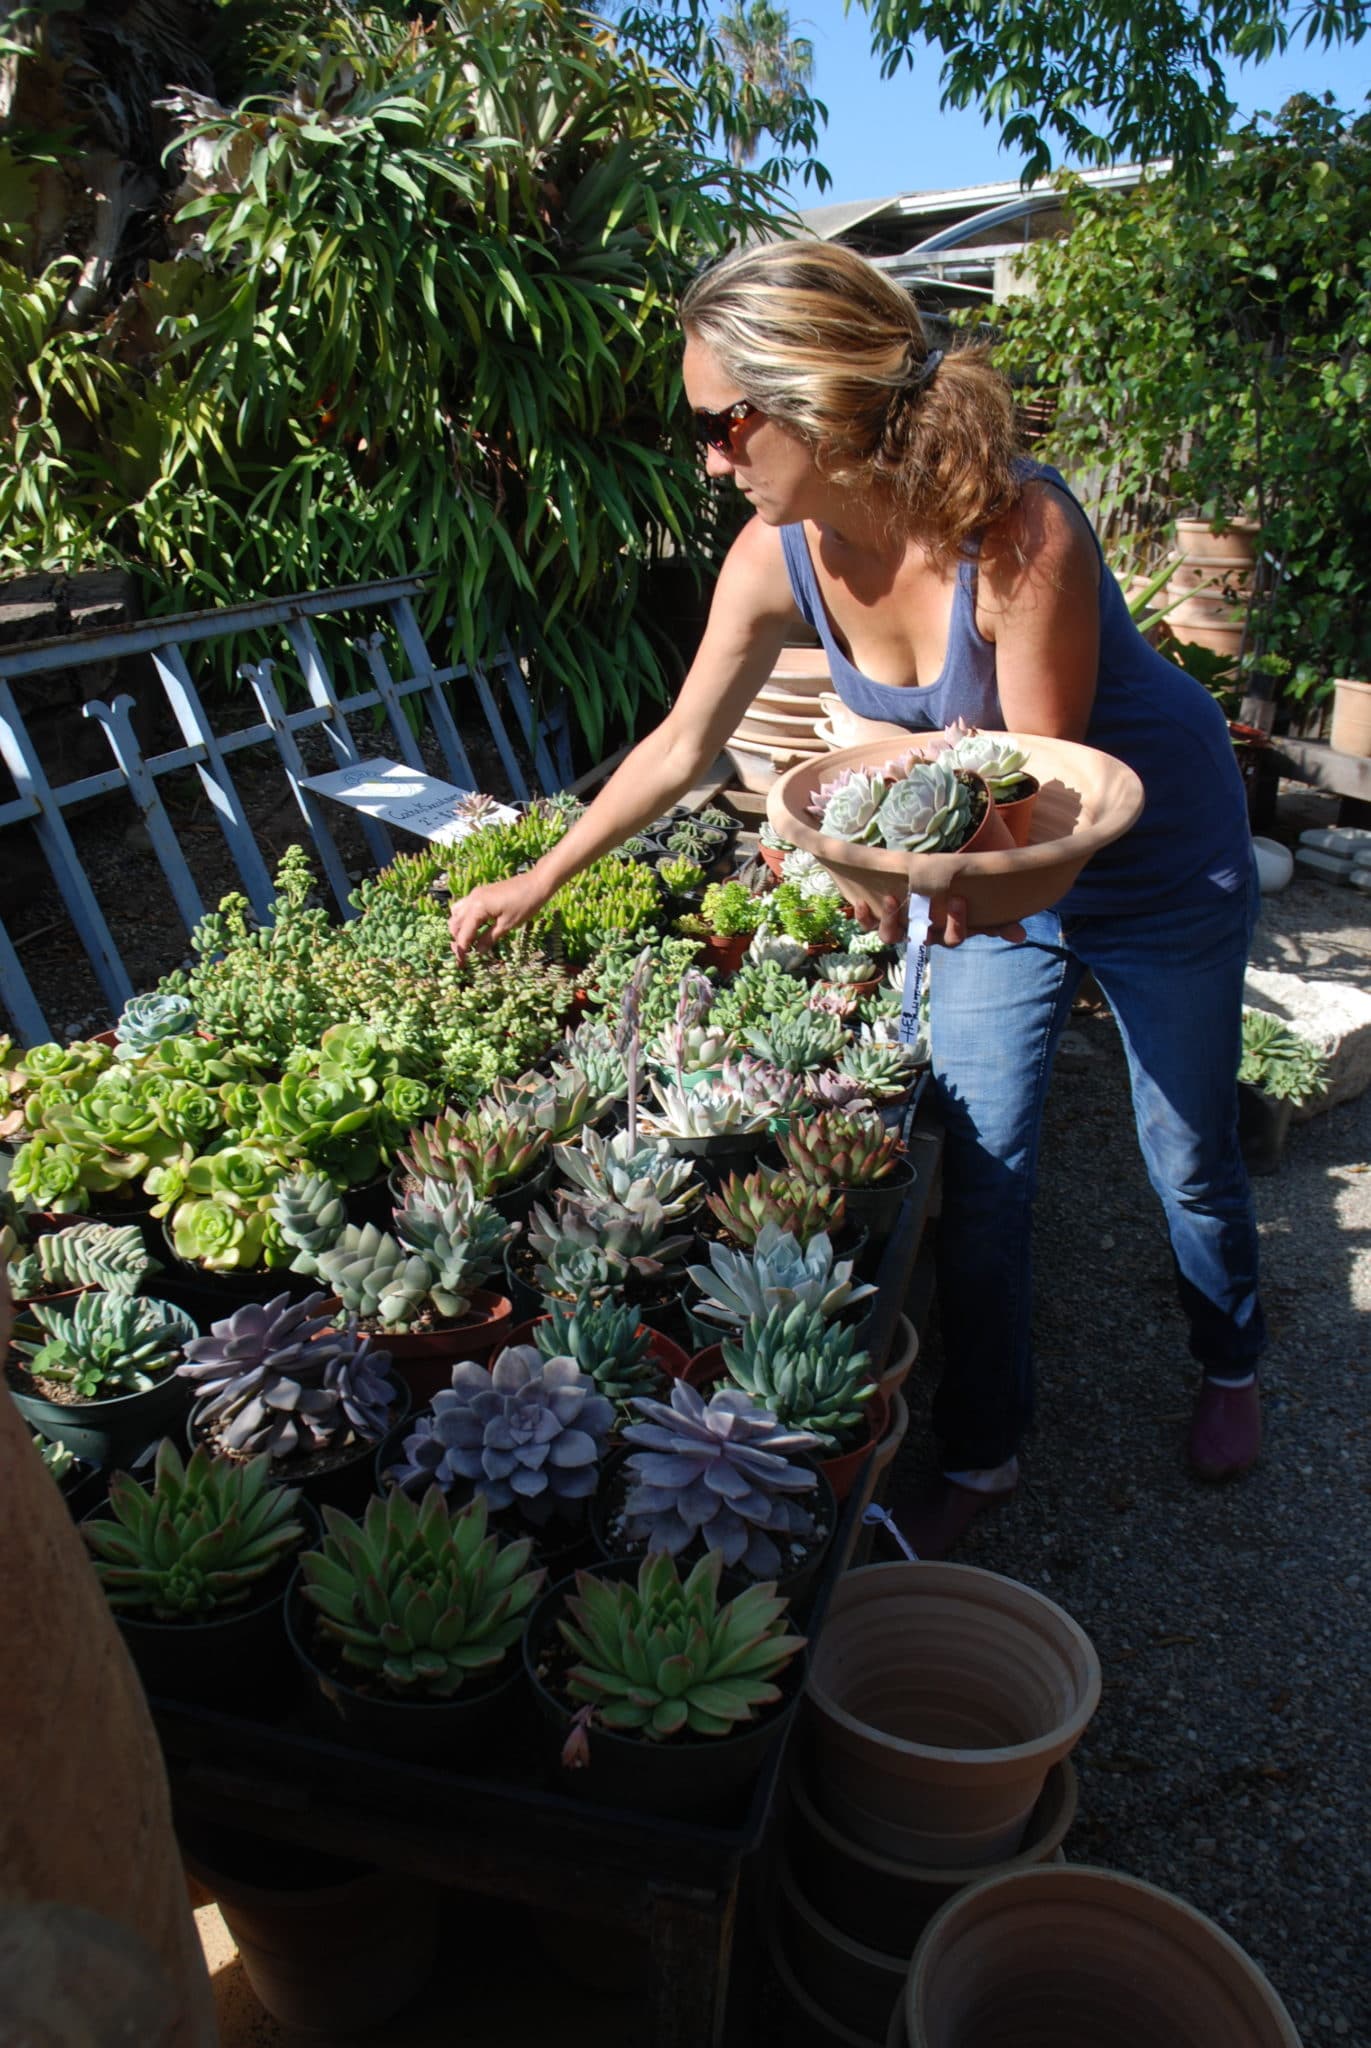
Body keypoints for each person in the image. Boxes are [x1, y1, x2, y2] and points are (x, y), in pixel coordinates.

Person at [448, 239, 1265, 1558]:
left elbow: (1032, 800)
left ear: (818, 405)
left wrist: (888, 876)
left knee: (1190, 1156)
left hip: (1143, 847)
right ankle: (985, 1449)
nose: (707, 459)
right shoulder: (778, 558)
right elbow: (680, 745)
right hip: (990, 860)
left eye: (724, 424)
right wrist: (538, 878)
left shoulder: (1020, 529)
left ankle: (1231, 1358)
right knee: (981, 1167)